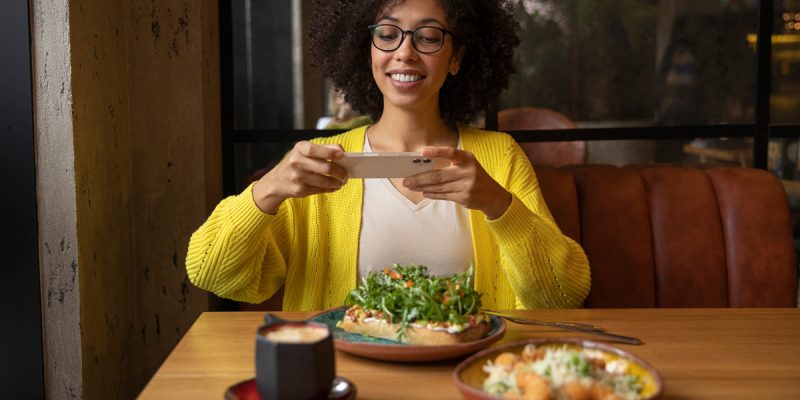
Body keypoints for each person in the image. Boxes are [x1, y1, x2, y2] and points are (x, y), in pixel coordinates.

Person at [186, 0, 590, 311]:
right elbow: (210, 271)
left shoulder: (499, 157)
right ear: (367, 51)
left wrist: (497, 204)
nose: (405, 53)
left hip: (465, 377)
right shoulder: (322, 159)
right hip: (345, 381)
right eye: (387, 34)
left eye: (428, 37)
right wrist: (268, 189)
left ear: (456, 58)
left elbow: (560, 295)